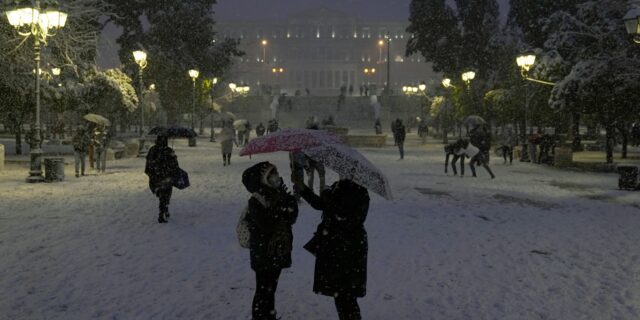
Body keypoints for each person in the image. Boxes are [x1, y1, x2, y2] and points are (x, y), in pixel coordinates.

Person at [293, 174, 370, 320]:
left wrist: (328, 197)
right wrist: (303, 189)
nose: (341, 172)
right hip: (336, 248)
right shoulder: (338, 186)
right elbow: (321, 205)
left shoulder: (360, 192)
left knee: (346, 296)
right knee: (341, 295)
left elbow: (348, 219)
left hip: (348, 250)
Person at [242, 162, 298, 320]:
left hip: (278, 249)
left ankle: (269, 315)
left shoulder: (280, 194)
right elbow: (266, 225)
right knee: (263, 288)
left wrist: (289, 200)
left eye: (276, 173)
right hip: (264, 252)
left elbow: (292, 217)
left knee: (271, 287)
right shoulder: (257, 199)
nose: (276, 177)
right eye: (272, 174)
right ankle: (260, 316)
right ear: (264, 178)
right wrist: (282, 210)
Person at [145, 133, 180, 223]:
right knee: (165, 195)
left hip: (155, 177)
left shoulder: (152, 149)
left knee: (162, 196)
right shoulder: (168, 150)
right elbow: (174, 164)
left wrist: (151, 173)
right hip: (165, 178)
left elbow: (148, 163)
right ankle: (162, 214)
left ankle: (165, 210)